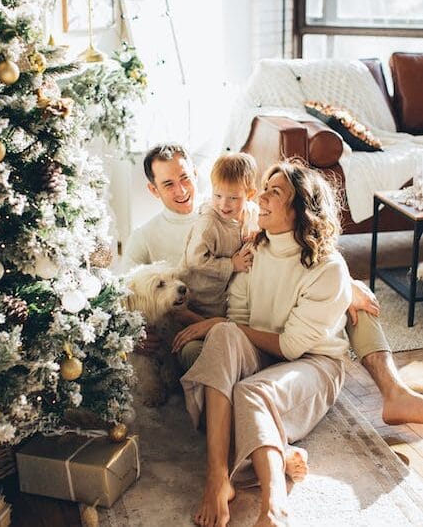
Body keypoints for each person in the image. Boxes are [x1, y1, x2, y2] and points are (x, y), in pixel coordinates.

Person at [122, 142, 423, 426]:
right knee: (199, 354)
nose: (181, 189)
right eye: (168, 184)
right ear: (153, 189)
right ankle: (260, 410)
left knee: (358, 299)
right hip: (207, 322)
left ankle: (393, 392)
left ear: (197, 175)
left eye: (185, 178)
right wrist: (133, 336)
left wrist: (344, 281)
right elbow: (125, 300)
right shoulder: (143, 237)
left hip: (249, 310)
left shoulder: (225, 202)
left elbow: (295, 241)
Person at [177, 160, 352, 526]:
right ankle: (218, 477)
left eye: (276, 191)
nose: (262, 196)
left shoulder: (328, 268)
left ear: (300, 207)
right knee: (225, 334)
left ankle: (274, 508)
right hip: (266, 353)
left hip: (315, 363)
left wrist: (221, 325)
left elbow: (291, 346)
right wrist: (222, 326)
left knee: (249, 393)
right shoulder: (255, 250)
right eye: (265, 188)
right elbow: (238, 323)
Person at [180, 152, 258, 318]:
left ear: (250, 195)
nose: (224, 204)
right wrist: (232, 265)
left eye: (233, 198)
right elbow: (195, 260)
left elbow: (259, 225)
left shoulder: (252, 212)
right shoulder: (208, 223)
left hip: (226, 295)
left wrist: (256, 234)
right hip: (200, 297)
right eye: (218, 195)